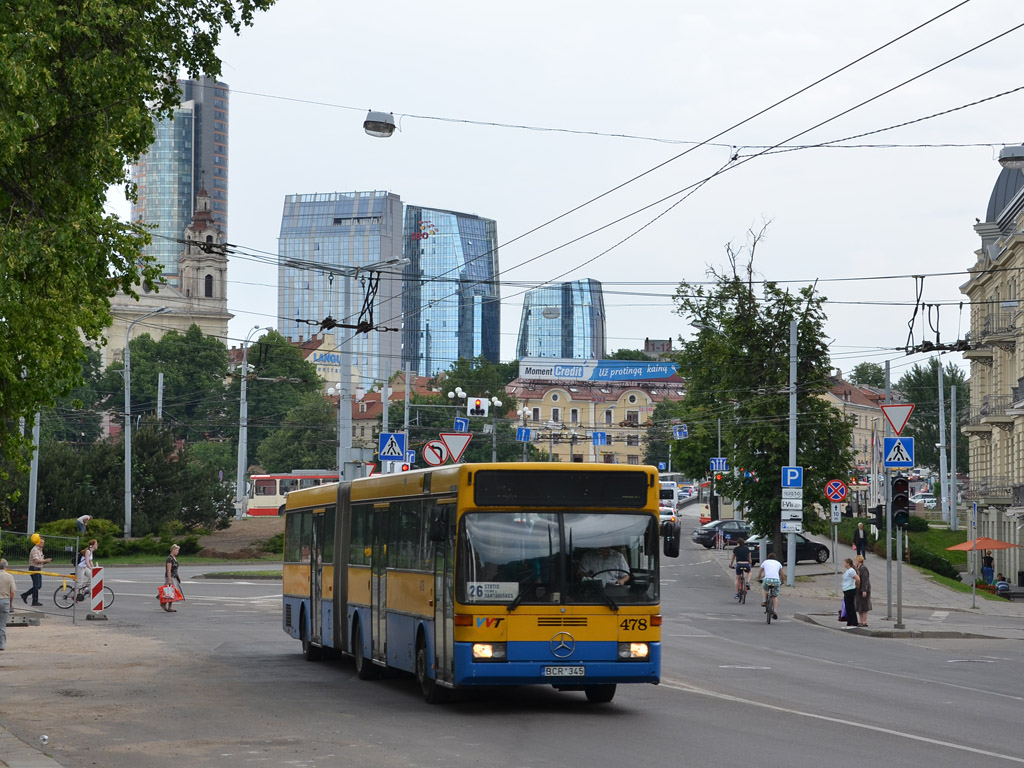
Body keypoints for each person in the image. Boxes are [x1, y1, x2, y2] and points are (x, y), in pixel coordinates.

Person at [20, 533, 51, 607]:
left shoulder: (40, 550)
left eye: (43, 542)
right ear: (38, 542)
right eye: (41, 542)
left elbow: (40, 560)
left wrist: (44, 561)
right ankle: (28, 596)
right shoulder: (35, 550)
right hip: (34, 569)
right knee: (36, 586)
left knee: (38, 586)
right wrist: (45, 560)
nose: (43, 544)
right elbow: (36, 560)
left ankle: (33, 599)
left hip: (38, 569)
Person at [757, 551, 785, 619]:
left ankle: (764, 601)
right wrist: (782, 581)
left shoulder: (765, 562)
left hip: (767, 580)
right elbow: (782, 574)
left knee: (764, 588)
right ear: (775, 558)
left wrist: (759, 578)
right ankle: (775, 611)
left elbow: (760, 571)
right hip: (776, 580)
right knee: (774, 596)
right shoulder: (778, 563)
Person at [0, 559, 16, 652]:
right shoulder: (9, 576)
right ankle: (2, 644)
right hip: (5, 601)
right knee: (2, 624)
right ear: (6, 567)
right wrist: (11, 603)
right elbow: (13, 592)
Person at [160, 544, 181, 612]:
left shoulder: (175, 558)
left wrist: (178, 577)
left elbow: (175, 569)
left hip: (174, 577)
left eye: (178, 550)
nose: (177, 552)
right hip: (170, 577)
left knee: (170, 592)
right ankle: (163, 604)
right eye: (176, 550)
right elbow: (168, 570)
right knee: (169, 592)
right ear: (172, 550)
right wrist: (169, 579)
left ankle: (169, 606)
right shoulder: (169, 559)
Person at [841, 557, 861, 628]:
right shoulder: (848, 570)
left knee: (850, 606)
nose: (844, 564)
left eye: (845, 563)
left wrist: (857, 586)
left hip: (850, 590)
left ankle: (853, 622)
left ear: (848, 564)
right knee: (848, 606)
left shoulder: (851, 571)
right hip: (847, 590)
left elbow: (857, 578)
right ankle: (849, 622)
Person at [854, 554, 872, 627]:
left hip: (863, 590)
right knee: (859, 606)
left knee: (864, 606)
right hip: (858, 590)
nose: (855, 561)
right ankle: (861, 621)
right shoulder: (858, 568)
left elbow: (865, 580)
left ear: (859, 560)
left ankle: (864, 621)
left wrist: (864, 590)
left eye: (856, 560)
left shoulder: (863, 568)